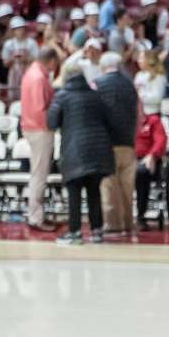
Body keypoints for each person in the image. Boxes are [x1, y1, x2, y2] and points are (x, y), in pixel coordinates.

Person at [47, 60, 115, 245]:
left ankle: (75, 232)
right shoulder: (96, 95)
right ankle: (96, 231)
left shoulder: (62, 96)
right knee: (94, 192)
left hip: (74, 150)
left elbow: (51, 122)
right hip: (98, 151)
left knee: (74, 192)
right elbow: (109, 121)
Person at [94, 52, 139, 237]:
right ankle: (128, 222)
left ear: (103, 67)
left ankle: (112, 223)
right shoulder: (131, 85)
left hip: (107, 142)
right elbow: (139, 114)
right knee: (127, 186)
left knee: (109, 184)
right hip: (128, 142)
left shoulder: (98, 84)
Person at [20, 46, 59, 232]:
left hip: (31, 128)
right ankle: (35, 217)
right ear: (51, 61)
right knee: (39, 175)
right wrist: (51, 126)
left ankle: (35, 214)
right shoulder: (38, 77)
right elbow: (39, 109)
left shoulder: (31, 72)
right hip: (40, 129)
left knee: (37, 173)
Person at [134, 107, 168, 228]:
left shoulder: (153, 121)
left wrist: (152, 155)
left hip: (148, 160)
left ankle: (140, 216)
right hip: (129, 160)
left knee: (141, 172)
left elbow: (161, 140)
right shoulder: (126, 123)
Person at [134, 49, 166, 115]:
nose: (138, 61)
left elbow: (157, 98)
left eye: (141, 58)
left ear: (149, 60)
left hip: (151, 113)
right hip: (138, 112)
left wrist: (139, 96)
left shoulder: (157, 76)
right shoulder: (139, 75)